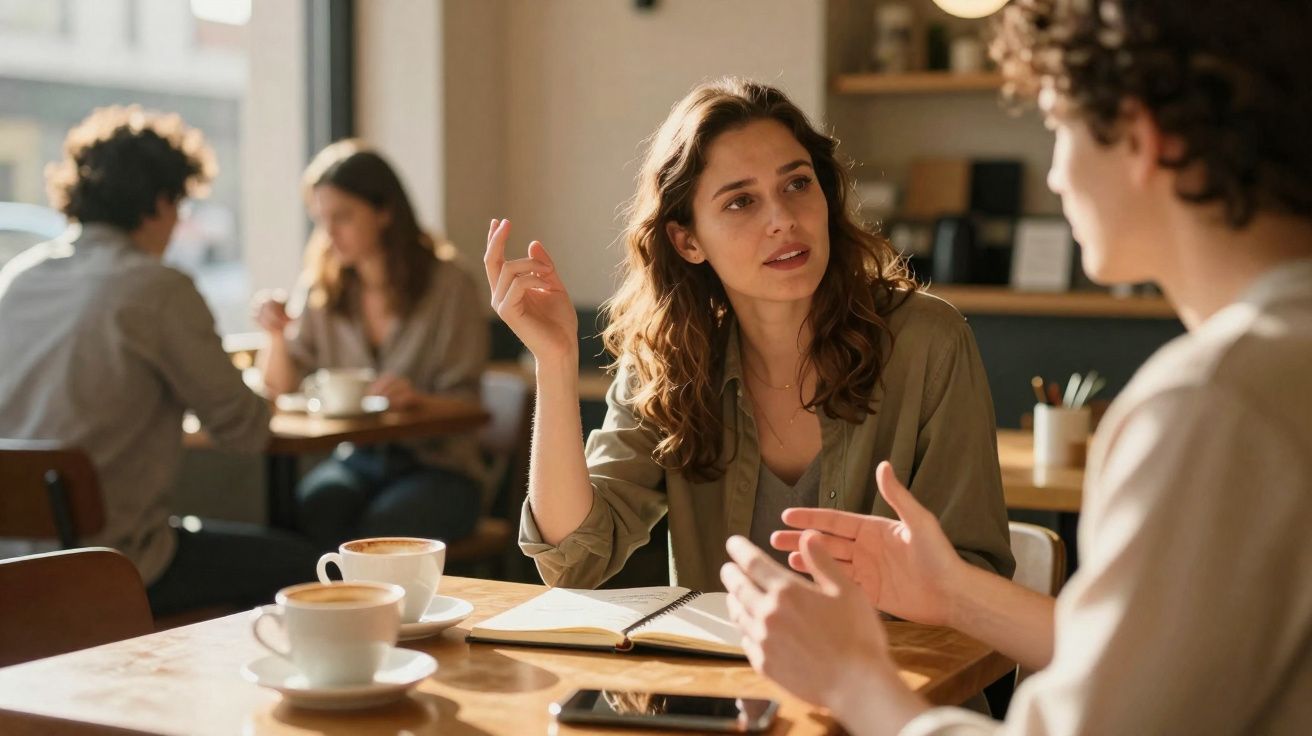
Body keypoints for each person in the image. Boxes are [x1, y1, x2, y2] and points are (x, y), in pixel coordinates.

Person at [720, 1, 1312, 733]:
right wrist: (956, 593)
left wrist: (855, 682)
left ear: (1141, 139)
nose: (1057, 176)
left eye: (1057, 127)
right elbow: (1178, 667)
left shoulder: (1212, 404)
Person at [486, 78, 1014, 593]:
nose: (783, 218)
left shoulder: (927, 341)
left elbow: (972, 574)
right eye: (741, 202)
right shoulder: (668, 361)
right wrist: (553, 361)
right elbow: (575, 559)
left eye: (797, 184)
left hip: (885, 677)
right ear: (688, 240)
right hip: (720, 682)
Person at [0, 106, 317, 616]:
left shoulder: (19, 279)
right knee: (309, 565)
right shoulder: (158, 288)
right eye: (179, 206)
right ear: (158, 203)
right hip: (118, 564)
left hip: (11, 572)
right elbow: (245, 430)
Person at [255, 140, 488, 550]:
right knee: (315, 507)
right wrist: (274, 334)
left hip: (442, 468)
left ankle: (374, 614)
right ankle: (328, 614)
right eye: (320, 219)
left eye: (342, 217)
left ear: (385, 212)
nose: (328, 234)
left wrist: (417, 400)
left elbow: (471, 404)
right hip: (360, 459)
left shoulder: (450, 286)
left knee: (383, 529)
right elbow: (281, 388)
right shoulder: (322, 287)